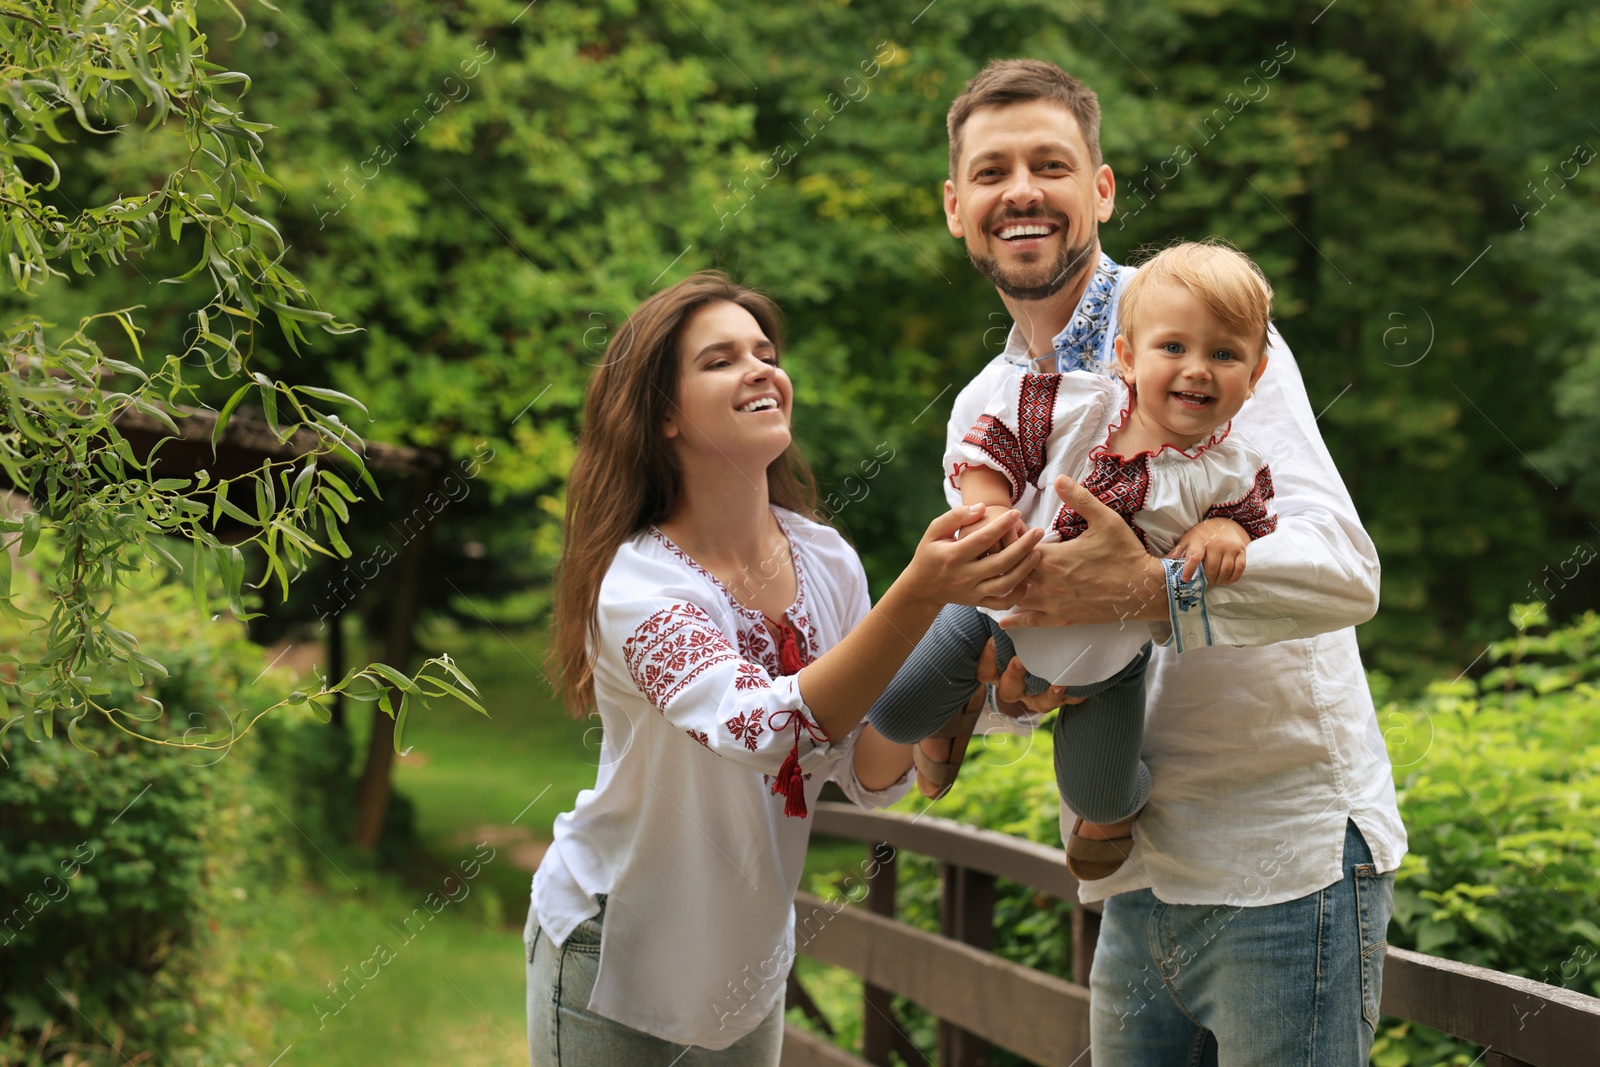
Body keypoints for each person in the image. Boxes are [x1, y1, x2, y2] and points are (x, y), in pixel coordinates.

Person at [936, 59, 1406, 1065]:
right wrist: (1014, 690)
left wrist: (1149, 587)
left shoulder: (1207, 336)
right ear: (956, 206)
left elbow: (1342, 571)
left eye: (1049, 163)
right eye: (991, 171)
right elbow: (1031, 641)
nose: (1019, 190)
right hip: (1129, 870)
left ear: (1100, 189)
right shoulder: (983, 414)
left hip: (1279, 860)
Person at [527, 271, 1041, 1065]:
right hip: (616, 950)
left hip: (748, 966)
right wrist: (921, 590)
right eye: (721, 359)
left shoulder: (827, 560)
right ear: (663, 414)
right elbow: (760, 726)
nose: (760, 369)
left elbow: (868, 765)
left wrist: (982, 687)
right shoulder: (638, 583)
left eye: (766, 351)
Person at [869, 241, 1277, 882]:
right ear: (1126, 357)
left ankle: (1114, 810)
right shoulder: (1078, 404)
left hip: (1107, 662)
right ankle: (954, 701)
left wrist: (1226, 529)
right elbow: (994, 439)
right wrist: (989, 512)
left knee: (1100, 796)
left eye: (1224, 355)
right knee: (891, 713)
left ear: (1254, 378)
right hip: (995, 606)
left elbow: (1255, 522)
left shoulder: (1232, 469)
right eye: (1173, 348)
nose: (1197, 369)